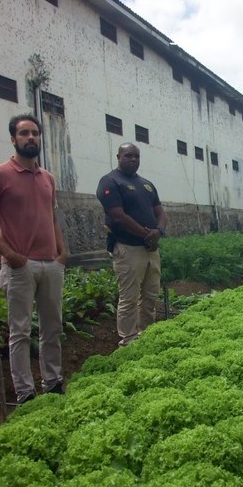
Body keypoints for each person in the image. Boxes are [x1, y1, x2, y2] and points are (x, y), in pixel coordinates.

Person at [0, 114, 68, 404]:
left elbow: (51, 216)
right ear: (13, 139)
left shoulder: (48, 178)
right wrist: (10, 254)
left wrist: (61, 251)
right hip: (20, 266)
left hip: (50, 264)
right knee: (20, 332)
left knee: (53, 327)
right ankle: (25, 392)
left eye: (35, 133)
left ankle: (53, 382)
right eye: (24, 133)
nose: (31, 138)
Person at [96, 143, 168, 346]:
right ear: (118, 156)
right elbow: (117, 215)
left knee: (150, 295)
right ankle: (128, 340)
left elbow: (160, 213)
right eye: (128, 156)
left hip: (150, 249)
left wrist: (158, 231)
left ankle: (148, 335)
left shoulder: (146, 184)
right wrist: (146, 234)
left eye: (136, 156)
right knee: (129, 297)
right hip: (128, 248)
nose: (133, 159)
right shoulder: (110, 181)